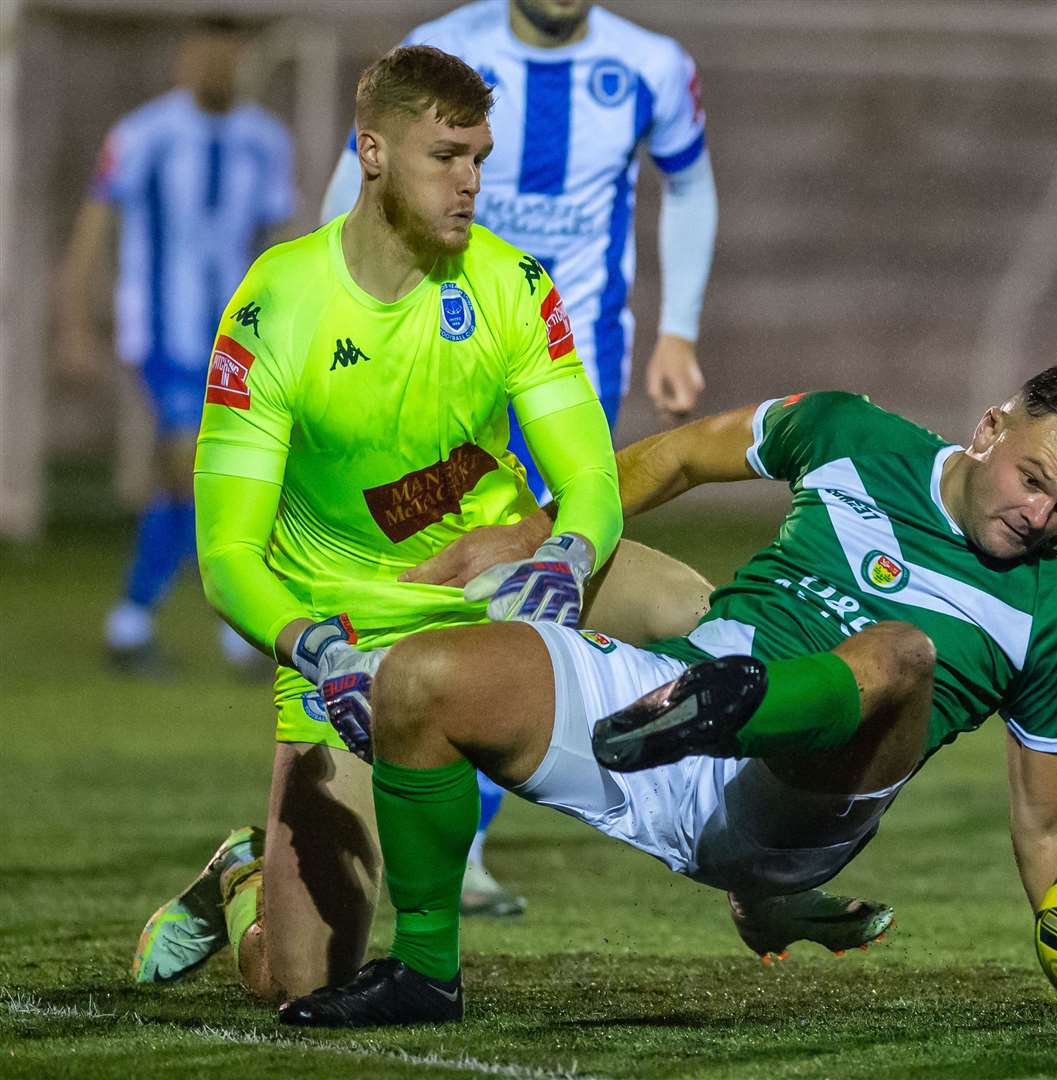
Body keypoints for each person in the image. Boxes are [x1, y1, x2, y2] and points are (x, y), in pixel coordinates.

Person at [275, 365, 1057, 1027]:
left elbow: (1049, 821)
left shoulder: (1054, 618)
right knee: (420, 683)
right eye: (1033, 481)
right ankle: (425, 974)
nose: (1039, 516)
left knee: (898, 654)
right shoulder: (849, 433)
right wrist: (539, 531)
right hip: (664, 707)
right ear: (988, 430)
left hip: (795, 812)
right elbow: (679, 456)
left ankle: (739, 705)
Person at [130, 45, 712, 1001]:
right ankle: (242, 878)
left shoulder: (511, 284)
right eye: (446, 156)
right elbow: (228, 554)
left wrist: (565, 552)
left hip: (500, 595)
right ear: (370, 152)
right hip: (346, 643)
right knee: (297, 985)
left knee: (699, 613)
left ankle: (766, 873)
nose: (471, 183)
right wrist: (315, 649)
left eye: (480, 157)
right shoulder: (275, 308)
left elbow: (592, 479)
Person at [320, 0, 719, 914]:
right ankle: (323, 803)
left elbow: (691, 184)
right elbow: (354, 177)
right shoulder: (444, 51)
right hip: (429, 352)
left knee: (527, 584)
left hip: (566, 355)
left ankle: (453, 833)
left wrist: (679, 329)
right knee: (416, 576)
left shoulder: (650, 63)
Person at [57, 17, 294, 673]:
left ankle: (135, 626)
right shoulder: (143, 134)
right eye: (207, 53)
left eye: (231, 54)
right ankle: (208, 629)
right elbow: (91, 228)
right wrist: (72, 320)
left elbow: (282, 243)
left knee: (200, 480)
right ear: (185, 60)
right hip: (164, 333)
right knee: (192, 459)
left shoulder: (265, 140)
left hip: (240, 337)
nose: (219, 66)